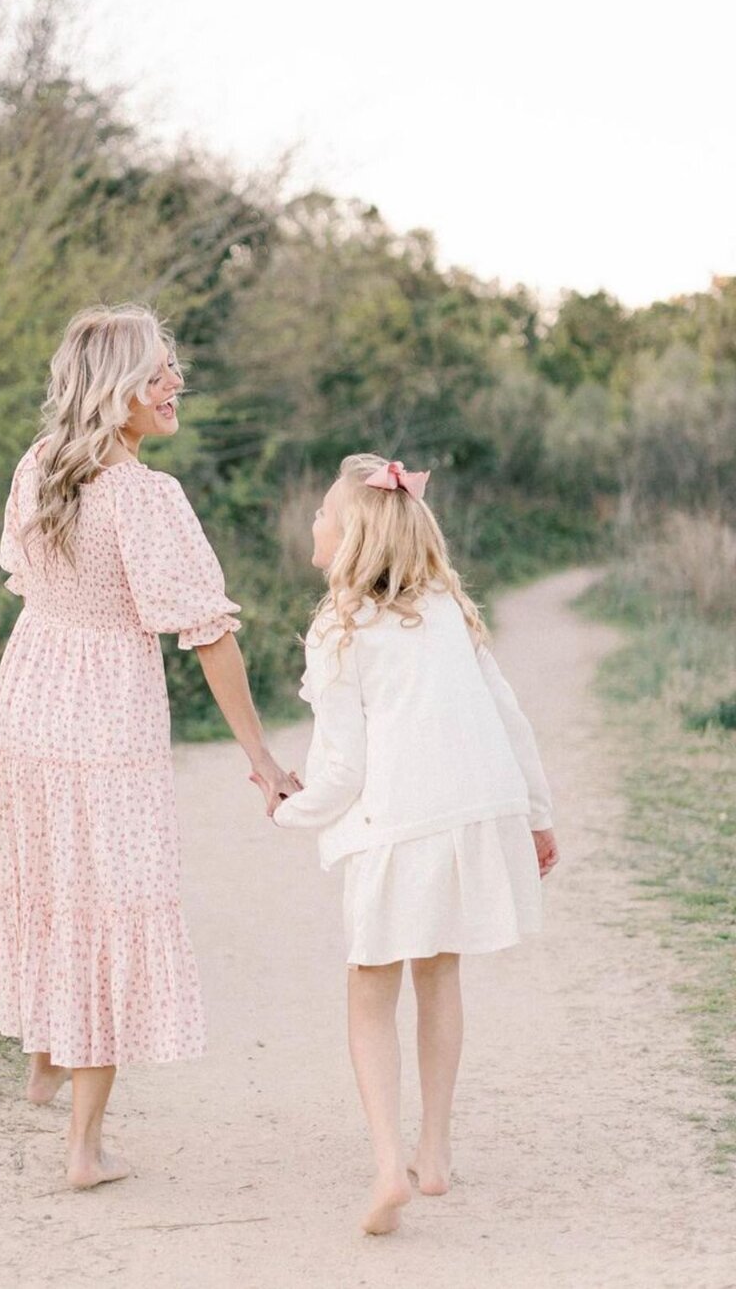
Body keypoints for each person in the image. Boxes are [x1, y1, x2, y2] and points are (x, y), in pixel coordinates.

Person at [0, 303, 296, 1189]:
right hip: (104, 715)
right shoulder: (146, 498)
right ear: (115, 392)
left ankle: (44, 1057)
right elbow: (208, 634)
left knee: (47, 880)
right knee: (107, 906)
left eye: (172, 368)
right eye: (156, 374)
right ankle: (83, 1149)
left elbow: (26, 580)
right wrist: (259, 755)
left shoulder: (39, 468)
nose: (174, 384)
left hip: (29, 699)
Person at [272, 453, 559, 1235]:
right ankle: (434, 1153)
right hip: (469, 815)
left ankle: (385, 1162)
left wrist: (290, 811)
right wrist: (536, 813)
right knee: (439, 974)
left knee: (370, 993)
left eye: (323, 516)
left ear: (353, 535)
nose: (314, 525)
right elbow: (508, 717)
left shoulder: (339, 627)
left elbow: (343, 766)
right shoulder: (449, 610)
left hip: (395, 830)